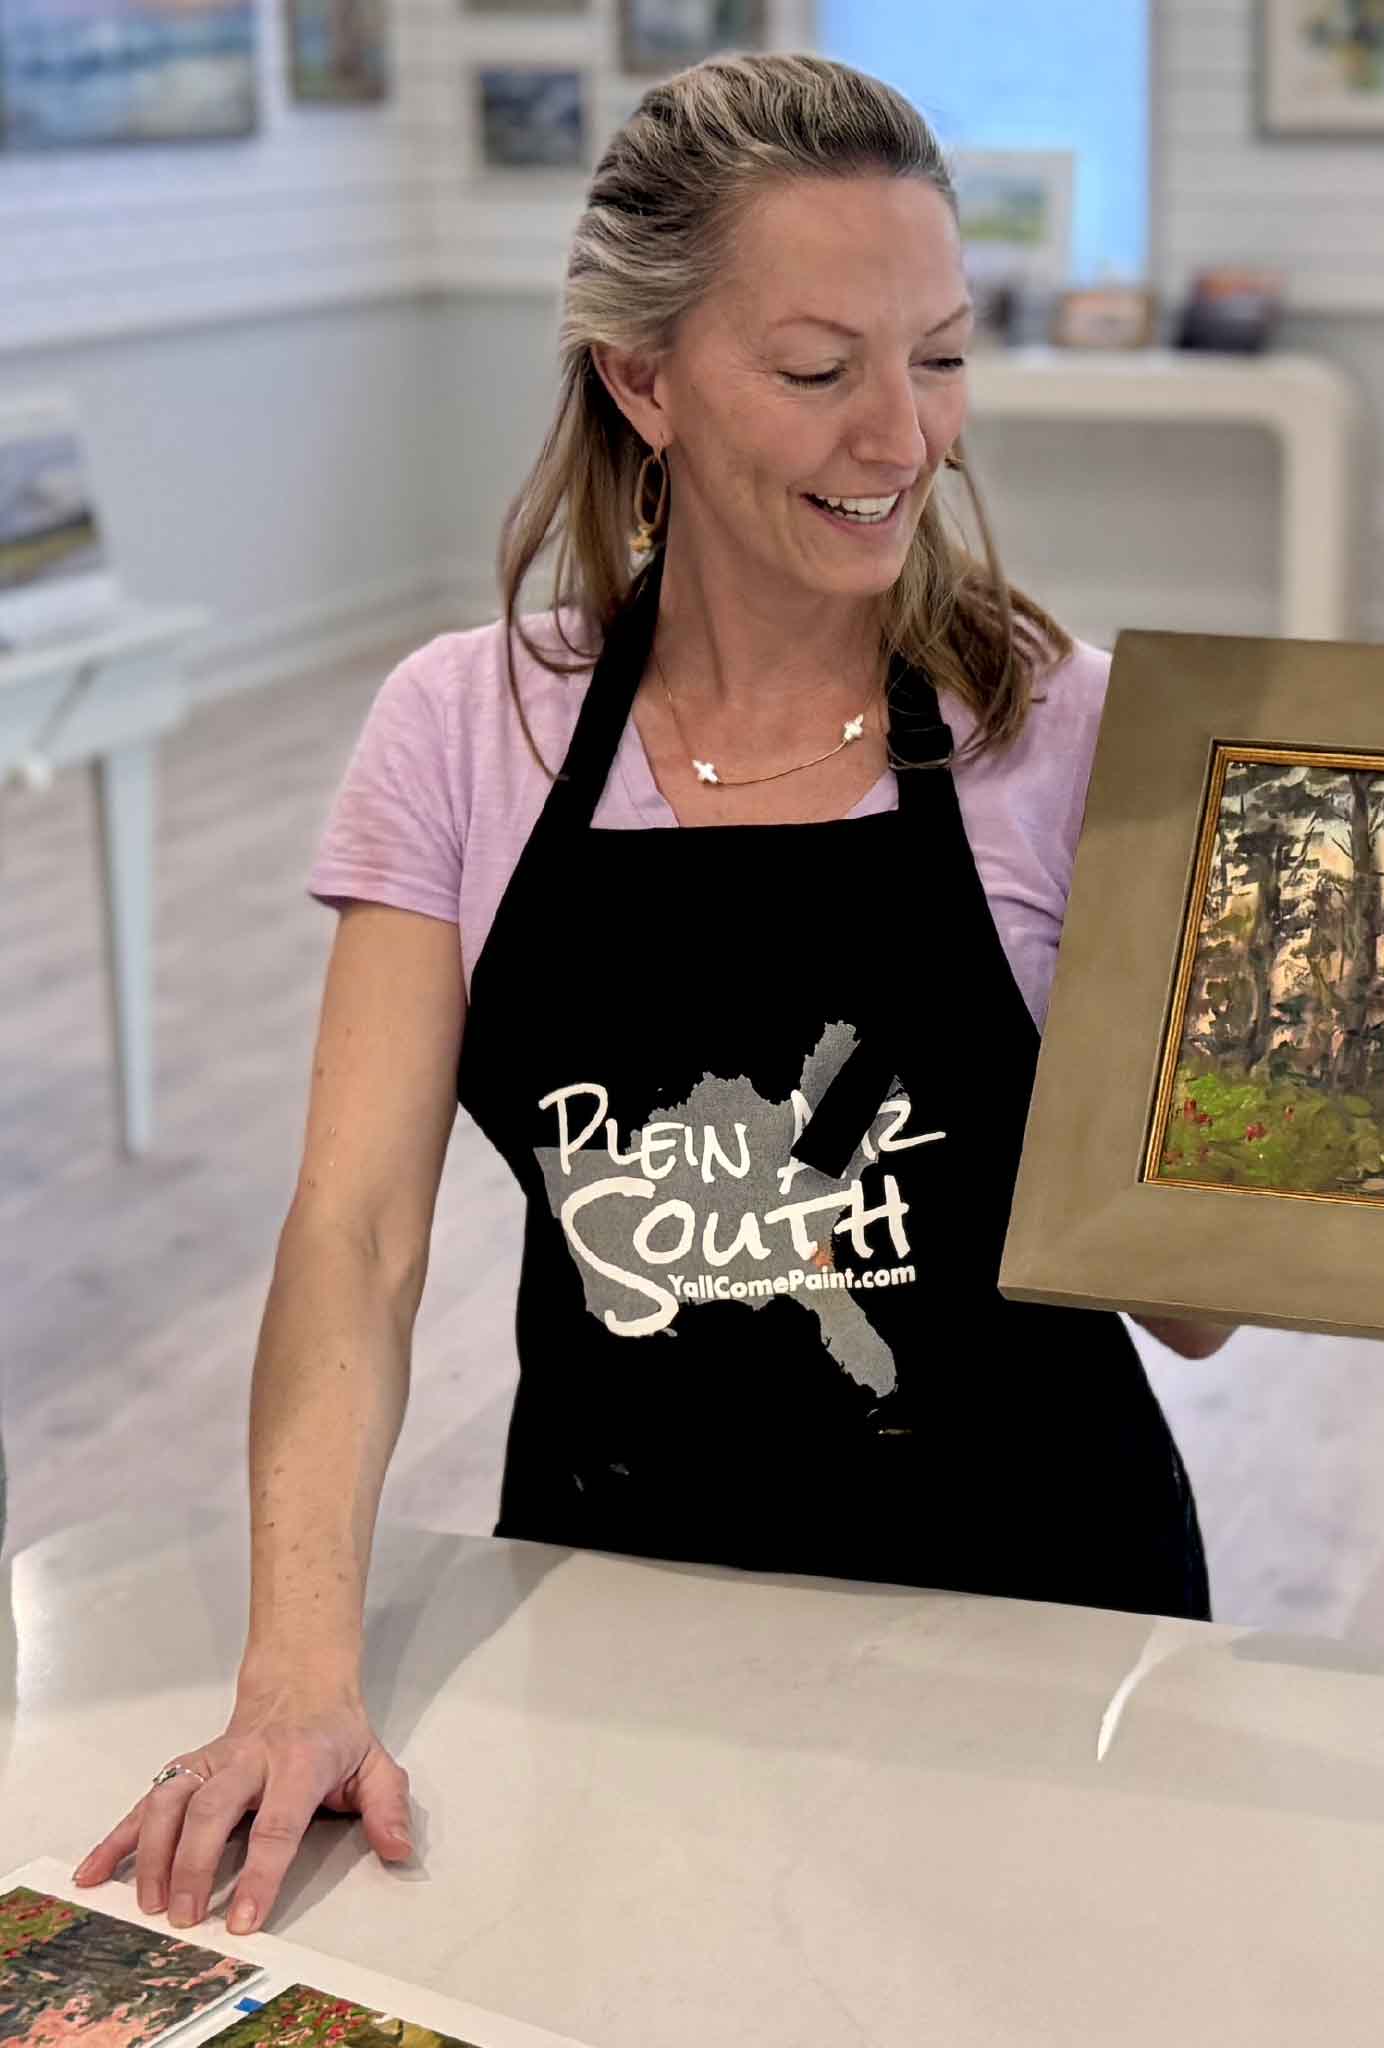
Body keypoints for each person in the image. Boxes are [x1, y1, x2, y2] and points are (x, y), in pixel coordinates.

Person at [73, 53, 1231, 1941]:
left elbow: (1191, 1313)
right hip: (620, 1604)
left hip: (1044, 1617)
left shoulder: (1066, 731)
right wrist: (296, 1675)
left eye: (940, 357)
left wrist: (1304, 1122)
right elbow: (356, 1235)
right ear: (641, 378)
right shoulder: (468, 729)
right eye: (816, 368)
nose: (901, 437)